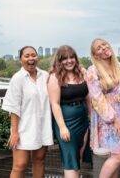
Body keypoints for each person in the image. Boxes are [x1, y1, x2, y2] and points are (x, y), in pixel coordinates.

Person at [2, 46, 53, 178]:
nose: (31, 58)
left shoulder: (45, 76)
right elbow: (13, 107)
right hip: (23, 128)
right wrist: (14, 133)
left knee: (39, 161)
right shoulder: (17, 78)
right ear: (20, 60)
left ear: (37, 57)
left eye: (33, 55)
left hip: (42, 126)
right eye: (27, 56)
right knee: (20, 165)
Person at [87, 38, 120, 178]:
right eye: (99, 48)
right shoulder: (93, 71)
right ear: (95, 55)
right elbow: (98, 99)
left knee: (115, 159)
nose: (103, 48)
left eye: (104, 44)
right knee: (118, 156)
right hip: (108, 119)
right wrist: (114, 119)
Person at [47, 45, 91, 178]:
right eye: (64, 58)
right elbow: (54, 104)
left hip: (83, 121)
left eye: (72, 57)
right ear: (59, 61)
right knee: (70, 159)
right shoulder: (54, 77)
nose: (69, 61)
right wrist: (62, 127)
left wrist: (91, 117)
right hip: (66, 123)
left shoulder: (81, 73)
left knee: (78, 156)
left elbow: (87, 96)